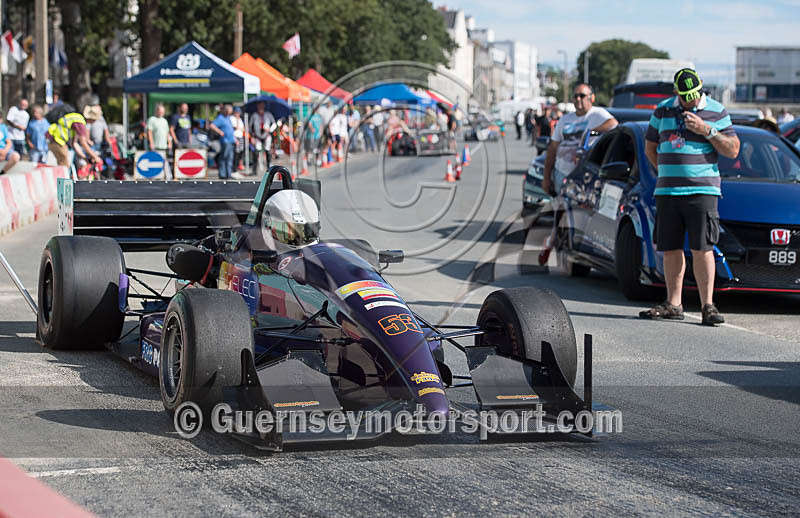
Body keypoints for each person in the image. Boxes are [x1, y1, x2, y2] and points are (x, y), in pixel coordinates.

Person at [639, 68, 740, 326]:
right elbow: (650, 147)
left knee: (703, 247)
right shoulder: (662, 110)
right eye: (685, 96)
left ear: (701, 87)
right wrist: (666, 171)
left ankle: (708, 305)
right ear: (676, 92)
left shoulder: (716, 110)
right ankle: (674, 303)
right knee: (670, 248)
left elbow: (733, 150)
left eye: (695, 94)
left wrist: (707, 130)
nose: (691, 100)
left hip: (702, 191)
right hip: (668, 191)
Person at [543, 85, 617, 196]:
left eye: (582, 96)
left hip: (584, 177)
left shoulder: (598, 114)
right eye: (575, 96)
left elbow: (613, 124)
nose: (578, 99)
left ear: (591, 98)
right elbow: (553, 148)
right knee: (559, 205)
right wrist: (546, 178)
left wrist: (591, 132)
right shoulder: (564, 119)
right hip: (561, 173)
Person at [249, 101, 276, 173]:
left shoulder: (268, 114)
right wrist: (252, 136)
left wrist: (269, 130)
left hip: (266, 135)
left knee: (267, 150)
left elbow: (274, 124)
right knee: (256, 151)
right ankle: (254, 170)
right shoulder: (254, 115)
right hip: (257, 135)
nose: (260, 107)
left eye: (262, 105)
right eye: (259, 106)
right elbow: (250, 126)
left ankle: (269, 169)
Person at [210, 104, 235, 179]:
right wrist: (219, 131)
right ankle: (222, 174)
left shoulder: (228, 118)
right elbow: (212, 125)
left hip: (231, 140)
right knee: (223, 157)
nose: (229, 113)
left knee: (230, 158)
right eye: (228, 111)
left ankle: (228, 174)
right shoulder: (220, 118)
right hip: (225, 140)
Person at [147, 103, 172, 177]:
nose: (161, 113)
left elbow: (167, 133)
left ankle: (168, 176)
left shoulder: (164, 121)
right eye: (160, 111)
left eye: (163, 112)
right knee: (155, 161)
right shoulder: (152, 119)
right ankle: (154, 176)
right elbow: (149, 132)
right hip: (155, 145)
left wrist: (169, 142)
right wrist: (151, 143)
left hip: (163, 146)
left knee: (164, 161)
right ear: (157, 111)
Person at [230, 106, 246, 171]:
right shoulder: (232, 118)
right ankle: (234, 168)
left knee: (240, 152)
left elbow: (243, 128)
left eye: (238, 113)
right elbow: (235, 127)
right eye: (236, 112)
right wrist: (237, 121)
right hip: (235, 137)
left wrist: (239, 127)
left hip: (240, 137)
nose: (238, 114)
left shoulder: (240, 119)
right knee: (236, 153)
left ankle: (237, 166)